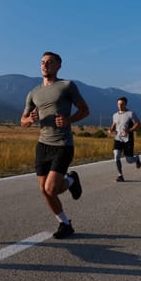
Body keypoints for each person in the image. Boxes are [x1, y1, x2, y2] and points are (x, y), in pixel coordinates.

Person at [21, 52, 90, 239]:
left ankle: (71, 180)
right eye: (42, 62)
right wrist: (30, 119)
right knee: (44, 191)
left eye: (49, 62)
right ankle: (65, 224)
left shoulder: (67, 86)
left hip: (63, 144)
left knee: (51, 189)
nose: (45, 65)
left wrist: (68, 119)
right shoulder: (33, 93)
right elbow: (23, 121)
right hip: (43, 145)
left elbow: (85, 110)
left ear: (58, 66)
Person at [108, 96, 141, 182]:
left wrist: (129, 130)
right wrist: (110, 129)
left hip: (128, 139)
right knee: (116, 157)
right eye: (118, 104)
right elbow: (114, 124)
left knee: (129, 160)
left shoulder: (131, 113)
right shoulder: (115, 115)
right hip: (118, 139)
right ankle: (120, 175)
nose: (120, 106)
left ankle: (136, 159)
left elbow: (137, 124)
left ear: (126, 104)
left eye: (122, 104)